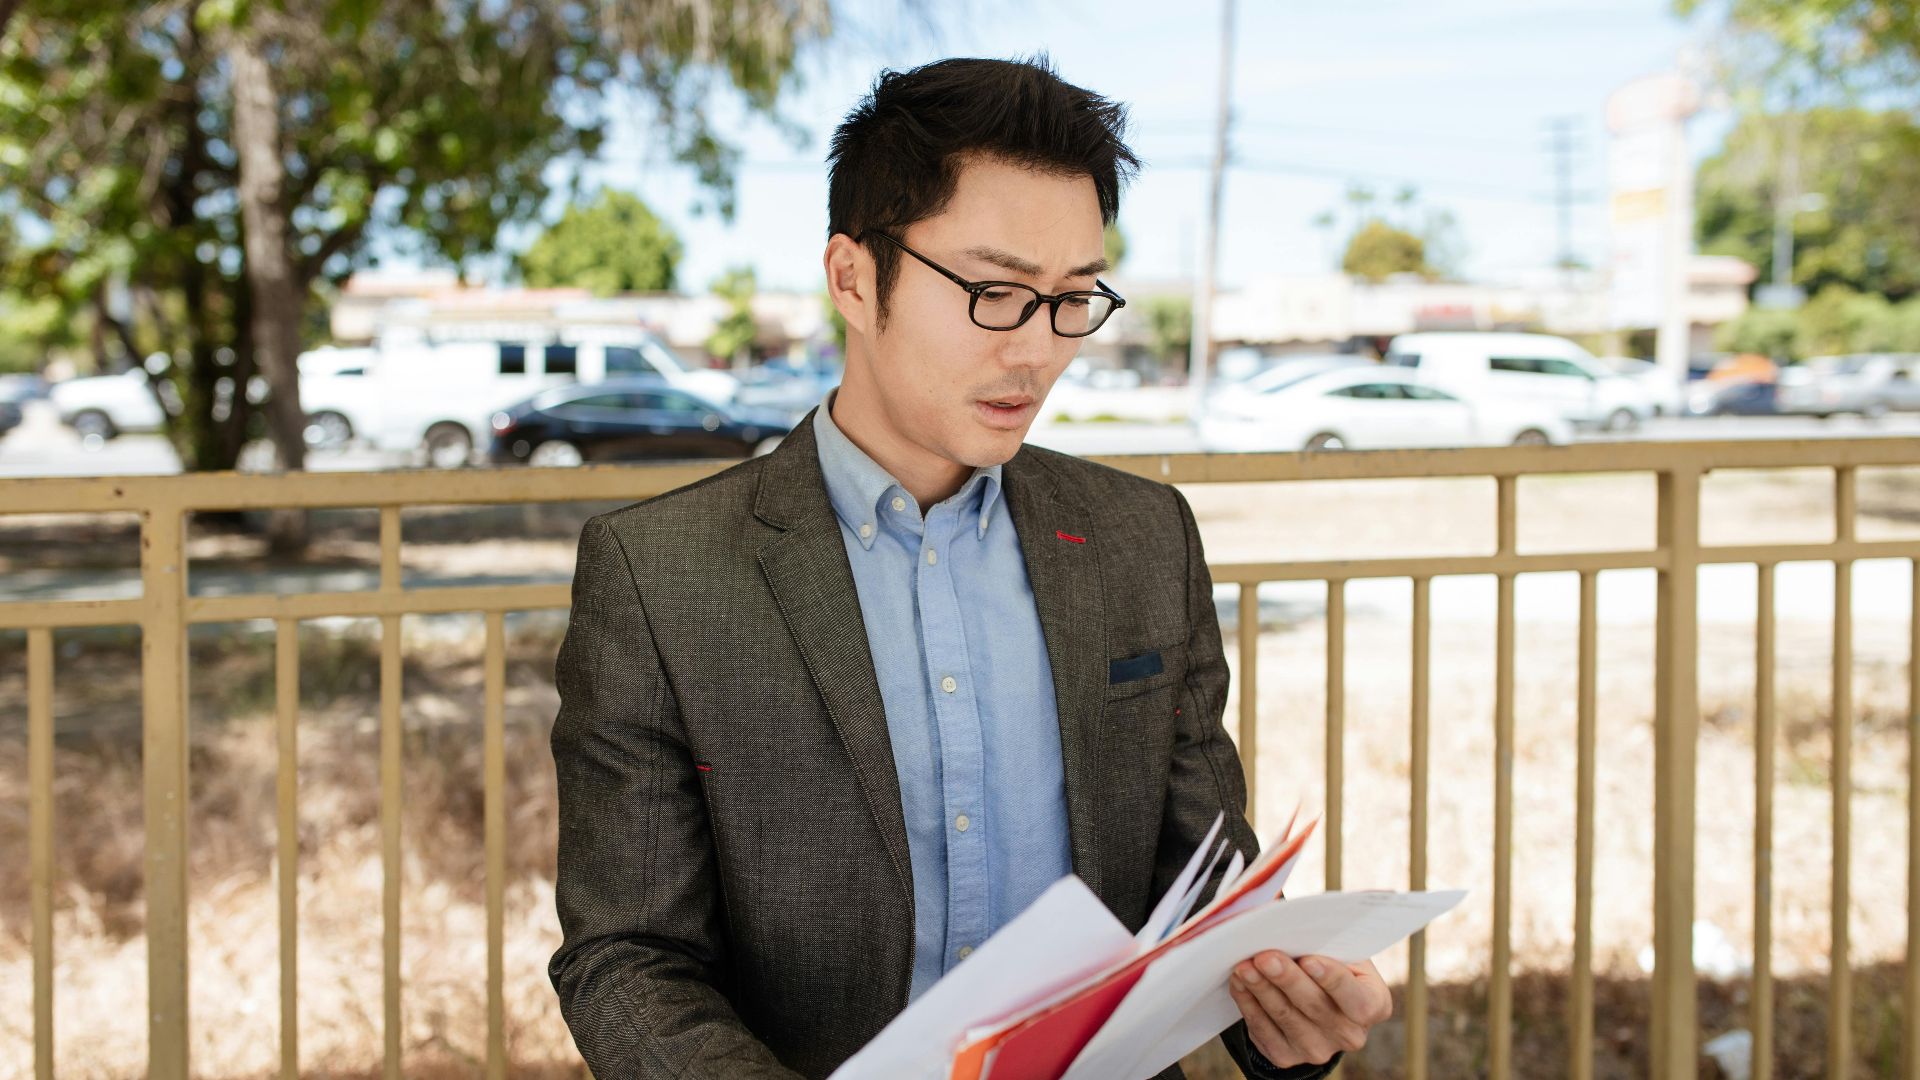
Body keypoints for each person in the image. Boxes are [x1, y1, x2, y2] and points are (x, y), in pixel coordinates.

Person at [548, 55, 1391, 1079]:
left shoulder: (1142, 539)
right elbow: (627, 954)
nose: (1037, 351)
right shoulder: (661, 574)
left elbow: (1205, 892)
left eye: (1073, 297)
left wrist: (1284, 1012)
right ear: (854, 278)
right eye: (995, 292)